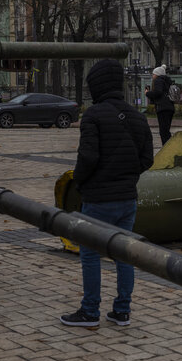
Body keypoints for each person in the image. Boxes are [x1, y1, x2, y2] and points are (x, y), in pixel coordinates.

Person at [61, 59, 154, 327]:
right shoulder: (137, 116)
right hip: (127, 198)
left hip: (98, 198)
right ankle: (122, 310)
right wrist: (129, 175)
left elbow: (87, 157)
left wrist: (79, 181)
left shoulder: (93, 115)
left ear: (97, 86)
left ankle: (90, 311)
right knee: (124, 254)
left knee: (90, 254)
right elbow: (147, 158)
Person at [146, 65, 175, 146]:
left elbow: (158, 92)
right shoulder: (167, 81)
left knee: (163, 131)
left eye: (153, 74)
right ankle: (169, 147)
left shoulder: (158, 80)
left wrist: (147, 93)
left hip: (163, 108)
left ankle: (167, 148)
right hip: (170, 107)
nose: (152, 76)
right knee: (166, 130)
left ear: (157, 74)